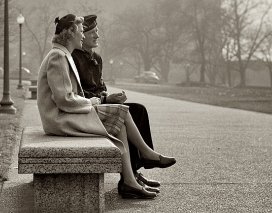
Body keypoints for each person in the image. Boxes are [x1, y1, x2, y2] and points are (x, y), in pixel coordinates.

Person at [36, 14, 176, 200]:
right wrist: (96, 102)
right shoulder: (58, 57)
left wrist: (97, 101)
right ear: (70, 33)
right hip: (59, 119)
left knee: (122, 117)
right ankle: (143, 158)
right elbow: (64, 100)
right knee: (122, 112)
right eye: (81, 32)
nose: (83, 36)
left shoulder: (62, 55)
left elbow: (69, 98)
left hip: (65, 114)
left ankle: (130, 180)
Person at [71, 14, 161, 193]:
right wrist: (105, 99)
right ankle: (134, 172)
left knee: (138, 110)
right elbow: (77, 93)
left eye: (97, 31)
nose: (97, 36)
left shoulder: (97, 58)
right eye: (93, 32)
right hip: (89, 108)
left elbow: (100, 86)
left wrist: (109, 95)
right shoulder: (74, 57)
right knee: (127, 113)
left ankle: (132, 173)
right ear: (82, 35)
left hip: (100, 104)